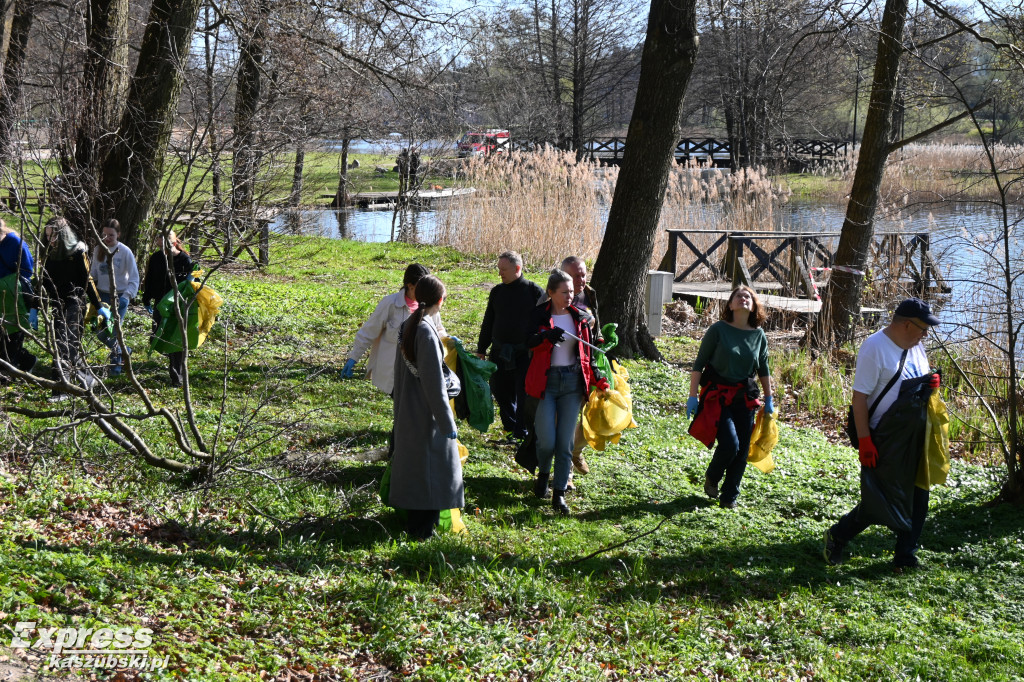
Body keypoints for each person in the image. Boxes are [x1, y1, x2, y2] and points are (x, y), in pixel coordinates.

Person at [824, 298, 942, 569]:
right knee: (881, 499)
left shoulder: (916, 345)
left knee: (918, 496)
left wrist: (931, 382)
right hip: (884, 437)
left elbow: (913, 381)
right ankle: (837, 535)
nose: (926, 335)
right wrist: (865, 440)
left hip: (914, 436)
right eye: (923, 329)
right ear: (906, 324)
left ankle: (905, 557)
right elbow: (859, 398)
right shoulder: (874, 348)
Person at [524, 269, 608, 515]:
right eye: (564, 292)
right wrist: (546, 336)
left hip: (572, 385)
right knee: (547, 441)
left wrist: (598, 378)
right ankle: (543, 475)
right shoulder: (539, 314)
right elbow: (527, 342)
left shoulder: (581, 318)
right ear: (551, 293)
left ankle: (558, 494)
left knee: (565, 444)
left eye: (572, 291)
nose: (570, 296)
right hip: (546, 385)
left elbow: (588, 355)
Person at [686, 285, 774, 509]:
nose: (743, 298)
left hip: (744, 396)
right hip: (717, 395)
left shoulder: (758, 335)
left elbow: (763, 369)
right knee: (730, 444)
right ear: (731, 304)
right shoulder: (718, 330)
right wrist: (692, 396)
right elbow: (698, 365)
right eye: (738, 296)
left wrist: (769, 398)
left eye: (748, 297)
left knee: (742, 450)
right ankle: (712, 477)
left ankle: (729, 497)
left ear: (753, 305)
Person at [389, 275, 462, 539]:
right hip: (426, 412)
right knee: (434, 471)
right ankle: (422, 531)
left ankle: (416, 525)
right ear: (440, 300)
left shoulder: (409, 323)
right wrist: (446, 423)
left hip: (408, 407)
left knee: (416, 468)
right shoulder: (425, 331)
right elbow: (433, 383)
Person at [342, 263, 445, 396]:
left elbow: (438, 330)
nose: (421, 294)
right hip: (393, 373)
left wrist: (447, 340)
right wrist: (353, 358)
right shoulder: (390, 304)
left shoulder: (429, 305)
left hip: (420, 371)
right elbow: (368, 332)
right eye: (418, 289)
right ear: (409, 286)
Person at [36, 217, 108, 397]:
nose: (51, 240)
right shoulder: (48, 254)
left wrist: (98, 305)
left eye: (54, 237)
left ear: (63, 236)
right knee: (69, 346)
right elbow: (42, 282)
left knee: (64, 344)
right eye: (47, 236)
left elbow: (87, 280)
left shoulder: (77, 253)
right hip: (57, 304)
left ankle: (62, 390)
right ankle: (87, 379)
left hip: (74, 302)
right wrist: (34, 306)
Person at [477, 251, 544, 440]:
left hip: (524, 354)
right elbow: (488, 321)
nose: (500, 273)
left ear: (517, 268)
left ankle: (521, 431)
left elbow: (543, 322)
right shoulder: (497, 292)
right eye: (499, 269)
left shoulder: (533, 291)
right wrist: (482, 348)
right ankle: (510, 427)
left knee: (523, 394)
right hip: (499, 352)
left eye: (503, 269)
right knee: (499, 389)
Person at [561, 255, 602, 477]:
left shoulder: (590, 293)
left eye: (584, 274)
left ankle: (576, 450)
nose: (582, 279)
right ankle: (565, 472)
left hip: (590, 363)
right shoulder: (555, 297)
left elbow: (596, 326)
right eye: (576, 275)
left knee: (595, 413)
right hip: (565, 368)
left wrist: (601, 337)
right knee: (566, 423)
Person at [141, 230, 193, 387]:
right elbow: (150, 279)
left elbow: (192, 283)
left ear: (175, 242)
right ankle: (173, 360)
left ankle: (177, 377)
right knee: (157, 337)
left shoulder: (184, 259)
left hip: (177, 305)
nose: (164, 248)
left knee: (174, 340)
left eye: (168, 244)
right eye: (160, 243)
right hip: (160, 304)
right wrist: (146, 298)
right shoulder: (156, 258)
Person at [90, 219, 140, 376]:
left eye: (111, 235)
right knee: (100, 332)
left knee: (114, 331)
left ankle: (115, 368)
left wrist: (126, 297)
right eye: (104, 235)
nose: (107, 238)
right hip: (102, 296)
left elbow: (134, 278)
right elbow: (93, 274)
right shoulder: (98, 249)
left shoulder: (125, 252)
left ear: (118, 234)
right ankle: (124, 351)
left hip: (120, 296)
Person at [0, 219, 37, 379]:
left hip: (15, 296)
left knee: (13, 335)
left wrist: (11, 282)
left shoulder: (15, 242)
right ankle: (27, 360)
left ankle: (9, 373)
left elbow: (28, 270)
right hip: (0, 297)